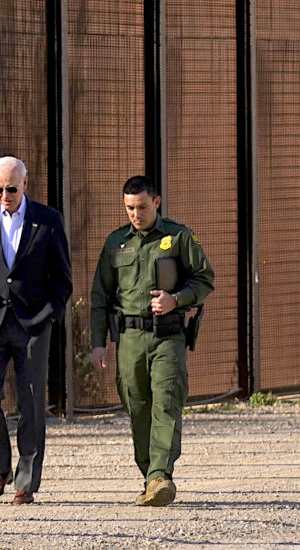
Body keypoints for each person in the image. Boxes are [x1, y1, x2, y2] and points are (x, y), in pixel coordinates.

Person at [90, 175, 213, 507]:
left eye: (141, 206)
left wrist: (178, 299)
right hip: (129, 338)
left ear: (156, 202)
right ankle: (150, 476)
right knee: (137, 405)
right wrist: (97, 342)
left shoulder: (178, 237)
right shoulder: (116, 242)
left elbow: (204, 279)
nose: (135, 213)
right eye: (129, 207)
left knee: (166, 401)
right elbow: (100, 295)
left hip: (167, 335)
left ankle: (161, 474)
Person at [0, 156, 72, 505]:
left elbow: (62, 277)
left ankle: (26, 481)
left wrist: (51, 312)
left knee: (32, 400)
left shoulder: (48, 221)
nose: (4, 195)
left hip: (33, 324)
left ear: (25, 183)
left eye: (10, 188)